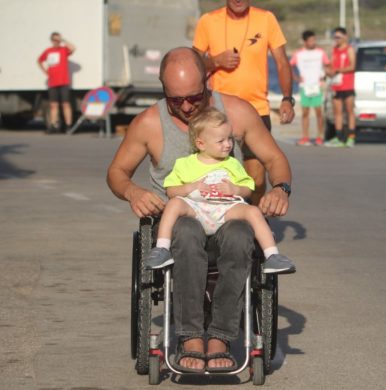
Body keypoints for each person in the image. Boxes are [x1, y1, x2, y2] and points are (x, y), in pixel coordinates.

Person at [106, 47, 292, 373]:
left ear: (207, 81)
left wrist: (280, 189)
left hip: (227, 215)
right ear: (163, 89)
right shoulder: (149, 122)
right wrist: (132, 191)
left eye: (195, 97)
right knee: (187, 233)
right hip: (183, 220)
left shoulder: (235, 111)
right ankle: (190, 337)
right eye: (176, 101)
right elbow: (116, 173)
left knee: (238, 236)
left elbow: (275, 159)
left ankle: (221, 337)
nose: (188, 107)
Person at [145, 107, 295, 275]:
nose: (228, 144)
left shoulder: (232, 164)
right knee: (174, 204)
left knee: (253, 211)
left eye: (230, 139)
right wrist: (191, 187)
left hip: (226, 210)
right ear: (201, 144)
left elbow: (248, 189)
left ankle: (272, 256)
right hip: (197, 209)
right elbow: (171, 191)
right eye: (221, 141)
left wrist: (235, 189)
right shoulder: (185, 164)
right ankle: (162, 249)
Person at [193, 0, 295, 205]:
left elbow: (282, 61)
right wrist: (215, 61)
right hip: (217, 112)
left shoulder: (266, 19)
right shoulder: (208, 21)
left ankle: (255, 218)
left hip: (256, 109)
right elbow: (192, 62)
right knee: (217, 173)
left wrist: (286, 98)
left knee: (256, 180)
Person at [290, 30, 330, 146]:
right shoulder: (299, 54)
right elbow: (289, 65)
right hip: (305, 86)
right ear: (305, 41)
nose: (313, 42)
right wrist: (295, 77)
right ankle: (305, 137)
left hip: (317, 86)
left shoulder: (320, 52)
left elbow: (328, 65)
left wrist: (325, 76)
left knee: (319, 112)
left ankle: (319, 137)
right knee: (305, 113)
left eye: (314, 40)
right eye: (310, 40)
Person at [37, 32, 75, 134]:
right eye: (54, 40)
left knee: (66, 104)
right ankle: (53, 126)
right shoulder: (48, 51)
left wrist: (63, 40)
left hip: (63, 81)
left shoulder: (63, 50)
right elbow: (39, 60)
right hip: (53, 82)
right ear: (51, 40)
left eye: (57, 40)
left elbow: (73, 48)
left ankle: (68, 126)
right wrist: (45, 72)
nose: (56, 42)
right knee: (54, 105)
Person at [325, 27, 357, 148]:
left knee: (349, 111)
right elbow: (330, 65)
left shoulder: (349, 50)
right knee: (337, 112)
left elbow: (352, 66)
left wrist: (338, 70)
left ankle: (351, 137)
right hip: (336, 85)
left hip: (347, 85)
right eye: (335, 37)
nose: (336, 40)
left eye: (338, 37)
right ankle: (339, 137)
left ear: (345, 37)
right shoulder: (334, 50)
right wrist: (328, 71)